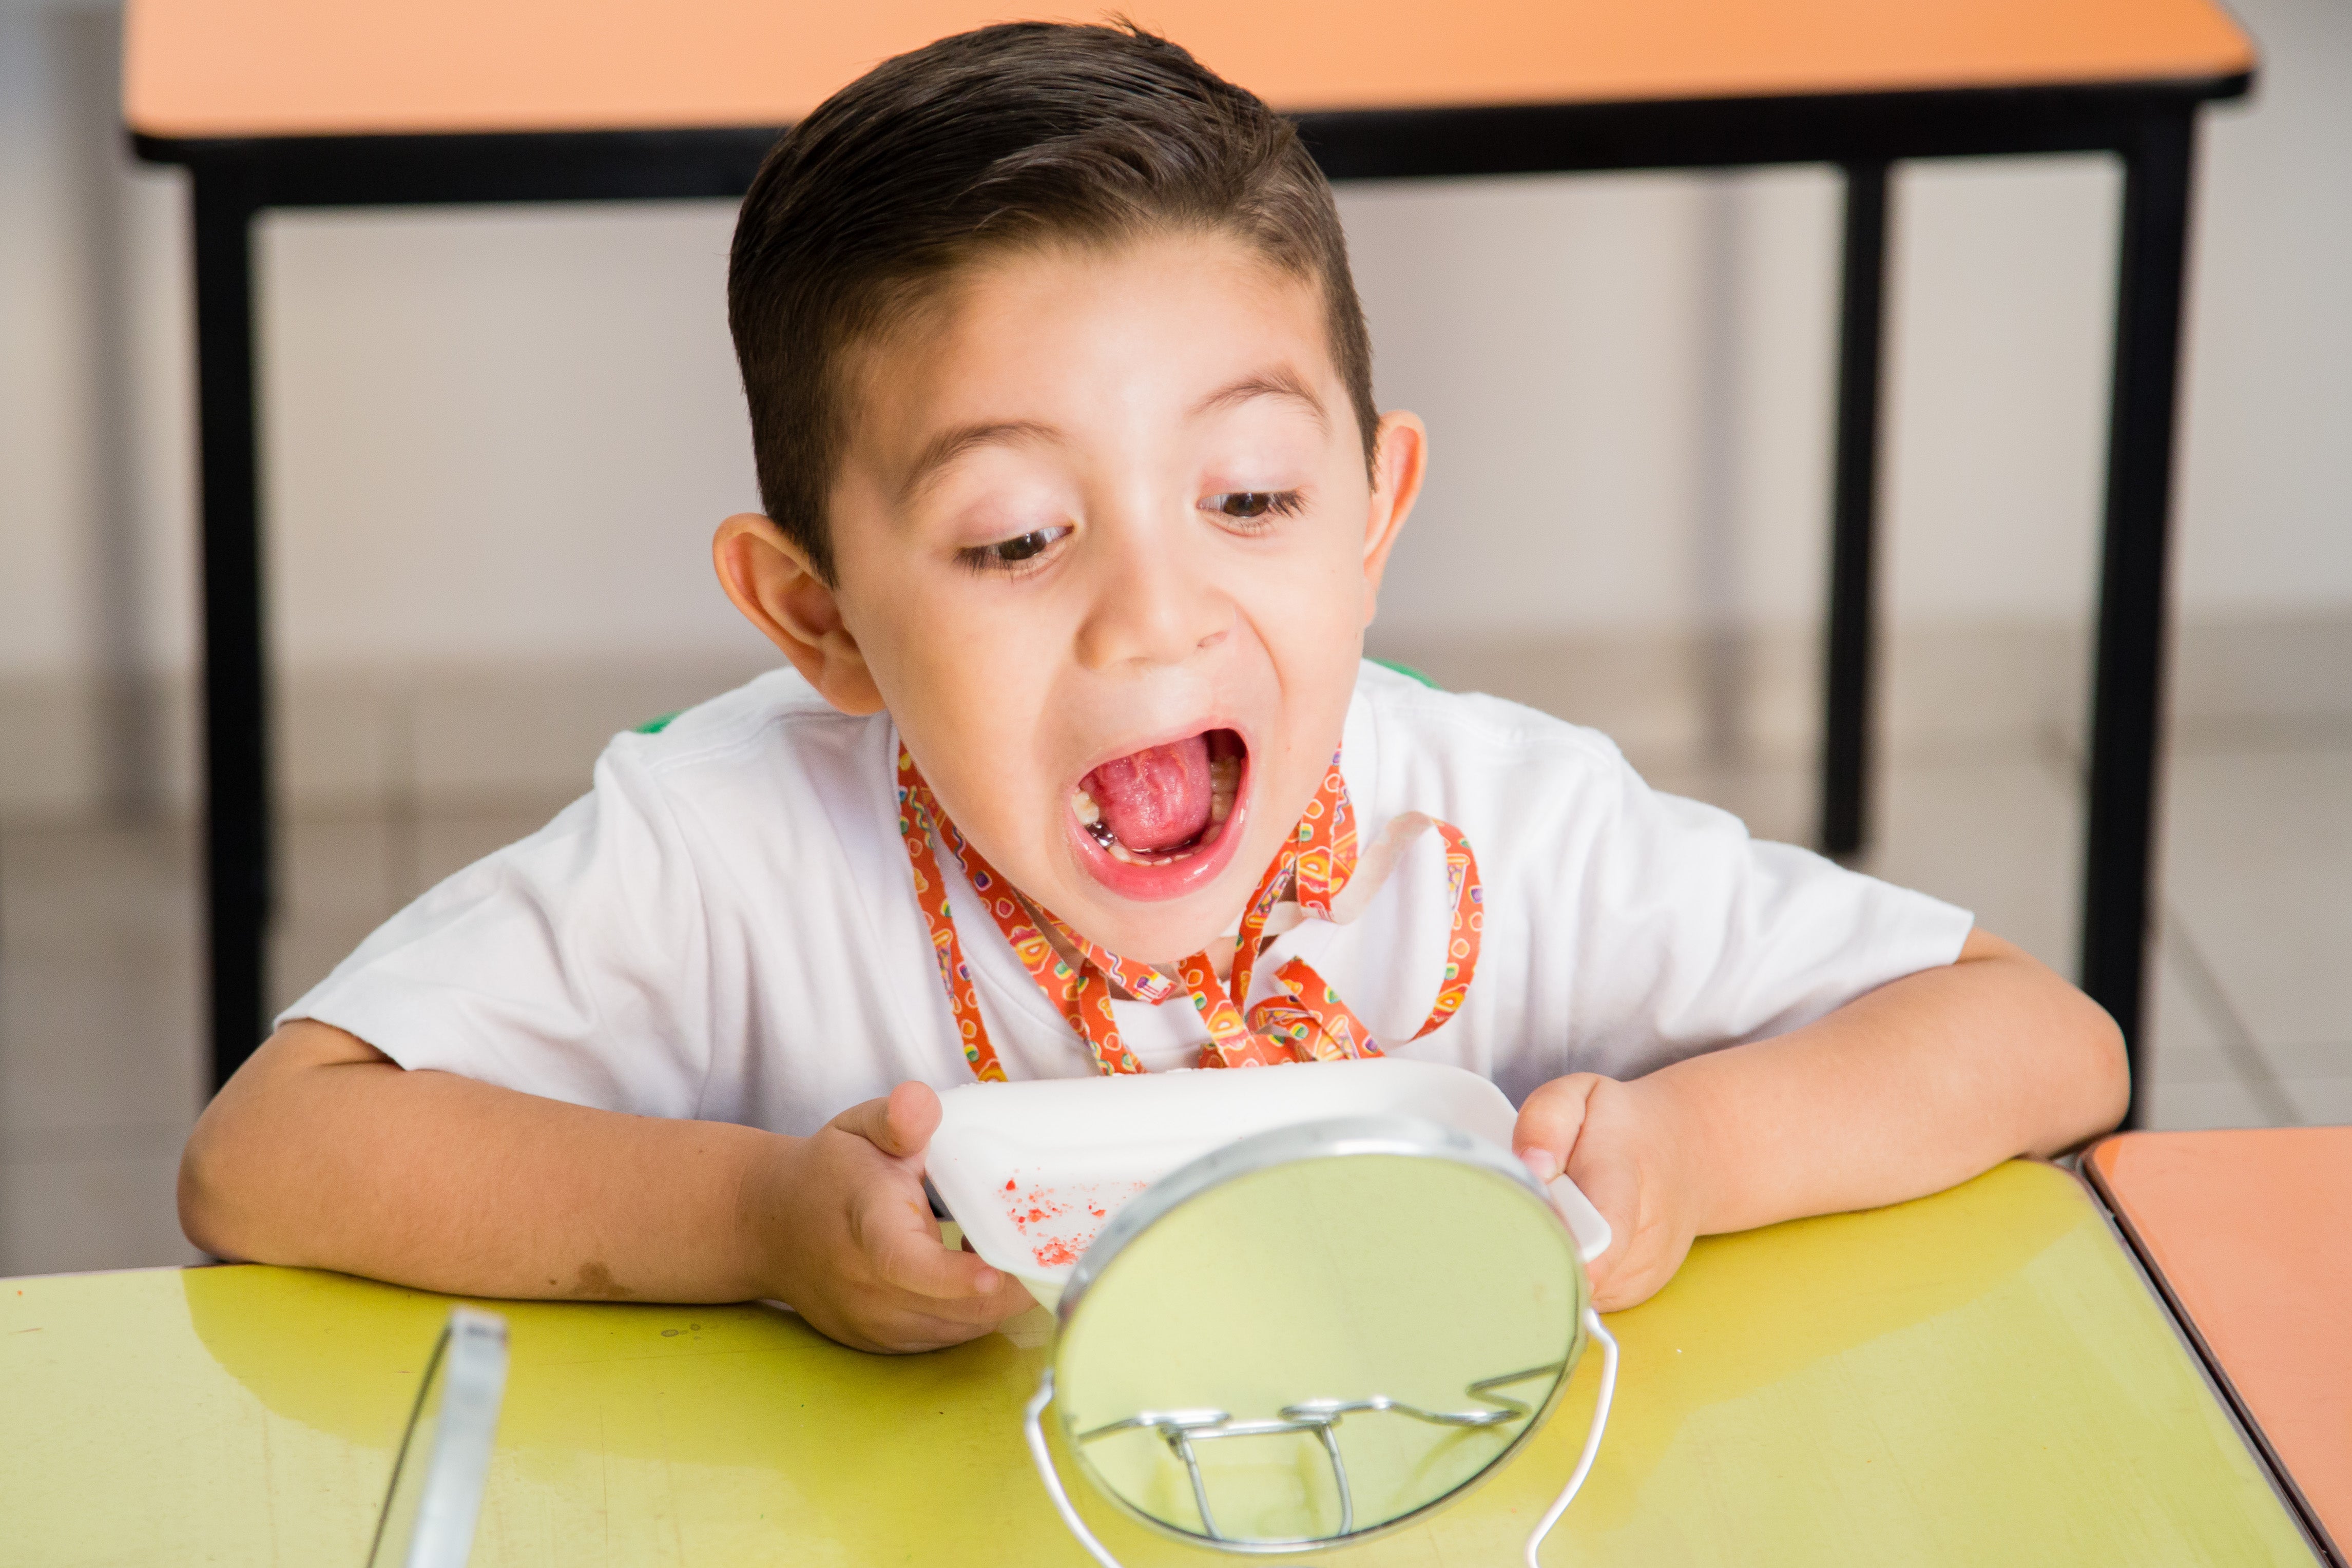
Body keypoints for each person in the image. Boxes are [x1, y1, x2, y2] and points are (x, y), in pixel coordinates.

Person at [178, 22, 2126, 1355]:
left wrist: (1704, 1157)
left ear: (1377, 511)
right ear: (820, 617)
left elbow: (2043, 1040)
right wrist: (760, 1229)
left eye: (1255, 496)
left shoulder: (1502, 830)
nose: (1151, 619)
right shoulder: (726, 849)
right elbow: (268, 1153)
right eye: (1020, 537)